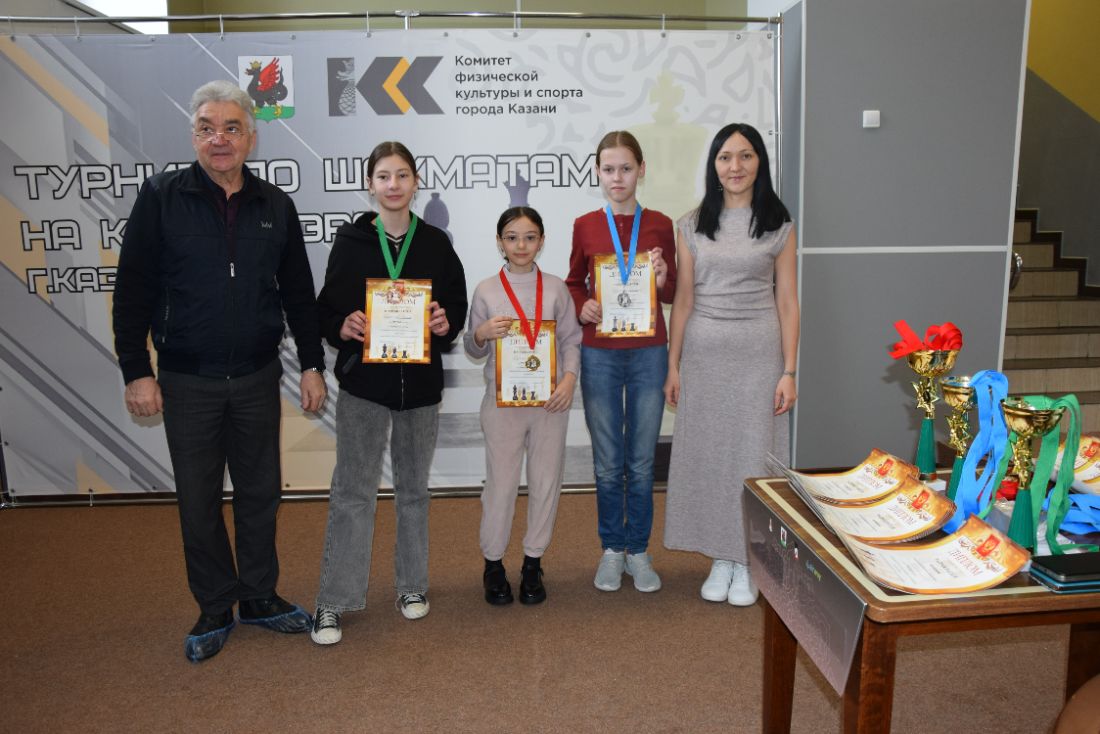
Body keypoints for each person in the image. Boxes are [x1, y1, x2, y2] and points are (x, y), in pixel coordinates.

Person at [112, 79, 327, 662]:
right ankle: (214, 605)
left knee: (260, 493)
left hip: (257, 376)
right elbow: (133, 289)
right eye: (207, 128)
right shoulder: (160, 197)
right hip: (187, 379)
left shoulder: (274, 205)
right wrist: (136, 369)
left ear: (251, 138)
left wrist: (312, 364)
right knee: (198, 499)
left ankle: (258, 596)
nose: (219, 139)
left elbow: (298, 294)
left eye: (231, 128)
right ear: (194, 137)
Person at [311, 141, 467, 645]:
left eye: (402, 175)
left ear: (416, 182)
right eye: (384, 176)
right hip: (364, 385)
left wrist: (445, 323)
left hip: (419, 388)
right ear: (370, 185)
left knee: (414, 491)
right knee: (353, 492)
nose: (393, 185)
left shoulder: (436, 243)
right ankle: (334, 601)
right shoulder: (351, 241)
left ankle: (411, 585)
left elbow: (455, 309)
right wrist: (343, 325)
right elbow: (325, 311)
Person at [663, 122, 799, 606]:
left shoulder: (779, 224)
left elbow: (788, 301)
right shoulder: (691, 224)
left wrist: (789, 371)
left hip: (759, 355)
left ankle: (747, 559)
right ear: (714, 165)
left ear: (759, 162)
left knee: (752, 455)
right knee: (710, 456)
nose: (735, 166)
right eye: (725, 157)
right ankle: (722, 555)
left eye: (745, 156)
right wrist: (673, 365)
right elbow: (683, 299)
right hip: (704, 355)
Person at [566, 131, 675, 593]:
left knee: (643, 461)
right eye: (608, 169)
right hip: (601, 354)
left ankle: (639, 551)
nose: (617, 177)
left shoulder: (661, 224)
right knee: (609, 461)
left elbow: (673, 290)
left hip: (649, 352)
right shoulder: (586, 225)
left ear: (641, 170)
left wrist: (664, 277)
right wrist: (583, 305)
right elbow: (574, 281)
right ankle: (613, 548)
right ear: (597, 172)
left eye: (626, 168)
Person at [465, 207, 582, 605]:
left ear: (541, 241)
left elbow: (571, 340)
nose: (521, 245)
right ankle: (493, 564)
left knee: (546, 482)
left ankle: (533, 563)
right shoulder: (486, 290)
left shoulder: (556, 289)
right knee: (500, 485)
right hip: (503, 405)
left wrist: (569, 379)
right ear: (500, 242)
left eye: (530, 237)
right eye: (512, 237)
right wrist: (481, 333)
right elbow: (472, 347)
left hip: (550, 402)